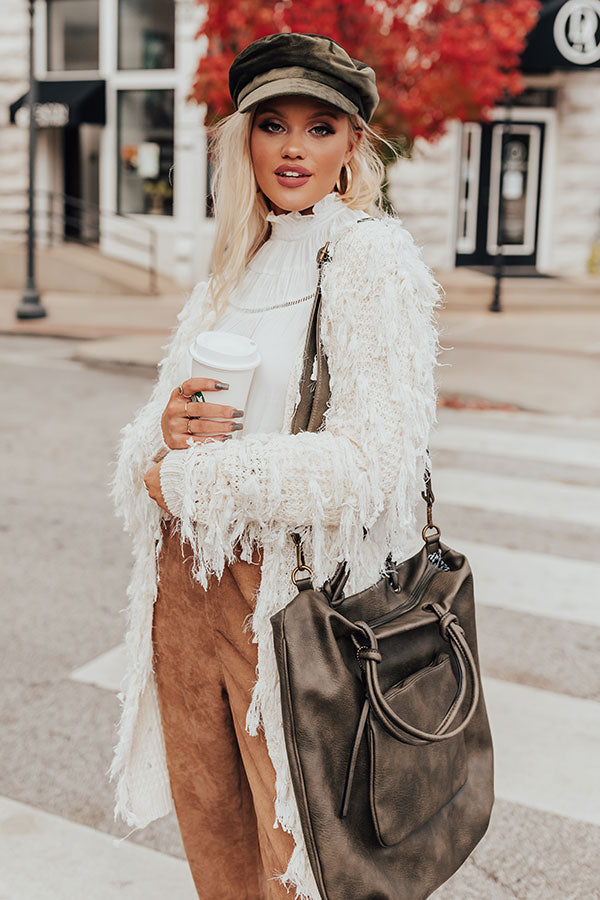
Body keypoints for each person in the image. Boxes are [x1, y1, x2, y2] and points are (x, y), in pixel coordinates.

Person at [109, 32, 442, 900]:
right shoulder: (237, 258)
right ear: (243, 138)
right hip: (187, 588)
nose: (293, 150)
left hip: (291, 598)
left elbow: (373, 461)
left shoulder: (370, 259)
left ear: (353, 144)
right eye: (273, 125)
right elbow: (161, 424)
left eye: (320, 126)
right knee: (213, 836)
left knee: (303, 857)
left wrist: (184, 478)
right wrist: (167, 428)